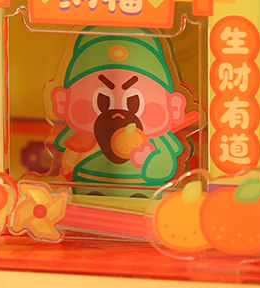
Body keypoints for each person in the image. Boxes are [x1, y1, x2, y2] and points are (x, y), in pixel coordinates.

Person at [51, 32, 192, 188]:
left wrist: (148, 160)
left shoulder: (157, 144)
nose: (118, 114)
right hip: (87, 188)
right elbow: (70, 164)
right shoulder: (80, 142)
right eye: (102, 101)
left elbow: (164, 167)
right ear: (62, 101)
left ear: (174, 106)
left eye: (133, 102)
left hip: (145, 193)